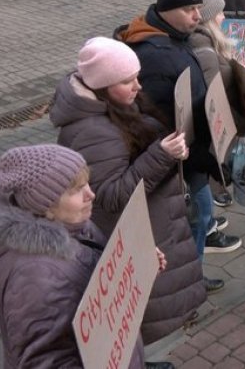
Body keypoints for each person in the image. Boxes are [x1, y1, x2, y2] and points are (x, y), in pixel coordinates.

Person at [50, 37, 214, 345]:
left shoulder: (117, 107)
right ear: (102, 86)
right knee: (135, 316)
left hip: (153, 222)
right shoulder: (93, 132)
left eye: (136, 77)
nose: (138, 86)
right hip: (134, 232)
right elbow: (110, 196)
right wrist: (161, 155)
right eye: (127, 81)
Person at [0, 144, 170, 368]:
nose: (91, 194)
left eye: (86, 182)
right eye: (75, 189)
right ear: (45, 206)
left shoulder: (73, 224)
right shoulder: (35, 277)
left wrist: (138, 267)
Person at [116, 0, 243, 256]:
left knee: (201, 216)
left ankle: (195, 270)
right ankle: (194, 273)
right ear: (168, 9)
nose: (198, 17)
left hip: (193, 156)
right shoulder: (156, 56)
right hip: (182, 165)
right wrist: (201, 158)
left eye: (198, 8)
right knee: (194, 223)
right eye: (190, 10)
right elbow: (156, 123)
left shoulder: (175, 38)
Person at [189, 0, 245, 215]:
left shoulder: (207, 44)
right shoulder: (204, 51)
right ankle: (215, 202)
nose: (223, 17)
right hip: (216, 133)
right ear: (206, 18)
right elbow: (210, 101)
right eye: (219, 13)